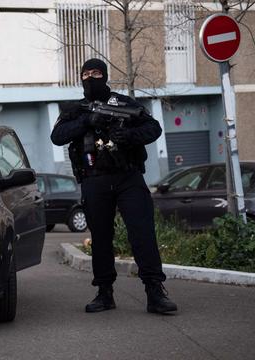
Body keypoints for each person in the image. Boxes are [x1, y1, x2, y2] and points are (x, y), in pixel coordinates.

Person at [50, 58, 177, 314]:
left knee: (142, 234)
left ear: (105, 76)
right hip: (94, 180)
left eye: (95, 73)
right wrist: (87, 121)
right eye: (85, 74)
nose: (90, 78)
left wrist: (129, 136)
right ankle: (104, 293)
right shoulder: (77, 110)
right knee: (100, 239)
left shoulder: (123, 104)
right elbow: (58, 136)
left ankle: (155, 291)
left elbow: (153, 128)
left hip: (128, 178)